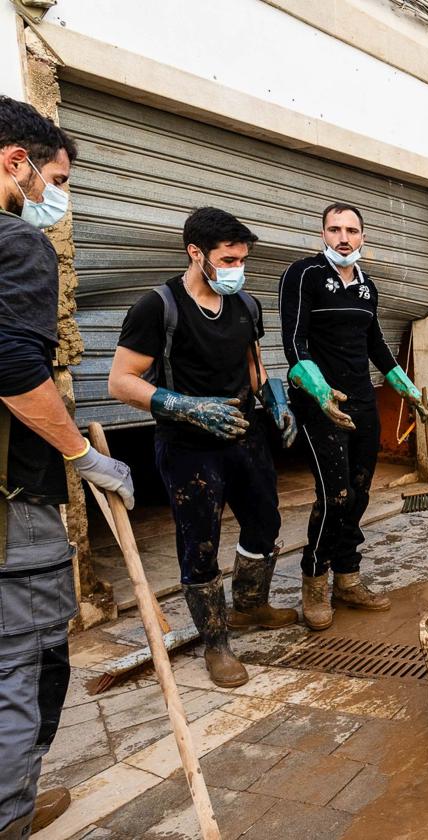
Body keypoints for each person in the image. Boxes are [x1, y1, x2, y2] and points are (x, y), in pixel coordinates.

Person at [0, 96, 135, 838]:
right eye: (53, 177)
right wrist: (83, 456)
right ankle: (10, 812)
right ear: (14, 162)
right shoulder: (17, 245)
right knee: (25, 664)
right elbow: (15, 365)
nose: (55, 198)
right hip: (11, 504)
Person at [110, 207, 298, 688]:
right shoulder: (157, 307)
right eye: (229, 258)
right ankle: (215, 643)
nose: (238, 268)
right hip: (189, 447)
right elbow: (121, 382)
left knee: (265, 522)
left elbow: (254, 366)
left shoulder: (246, 305)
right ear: (196, 253)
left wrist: (276, 401)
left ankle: (250, 607)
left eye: (243, 259)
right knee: (200, 542)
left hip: (243, 433)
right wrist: (187, 407)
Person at [279, 203, 424, 629]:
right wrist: (320, 390)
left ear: (363, 236)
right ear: (322, 233)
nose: (344, 237)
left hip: (362, 400)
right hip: (320, 402)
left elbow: (376, 343)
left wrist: (407, 387)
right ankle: (314, 580)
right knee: (334, 496)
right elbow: (293, 341)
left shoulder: (367, 287)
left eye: (352, 230)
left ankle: (347, 577)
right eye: (335, 229)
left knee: (359, 493)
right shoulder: (304, 275)